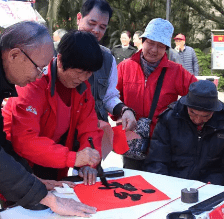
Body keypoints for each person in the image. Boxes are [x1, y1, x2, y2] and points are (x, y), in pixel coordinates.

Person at [0, 21, 97, 217]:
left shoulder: (83, 91)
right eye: (38, 68)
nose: (39, 75)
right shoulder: (31, 86)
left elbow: (1, 145)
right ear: (14, 55)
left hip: (28, 171)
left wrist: (32, 179)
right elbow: (21, 142)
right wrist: (46, 196)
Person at [117, 18, 197, 170]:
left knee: (159, 187)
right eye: (151, 43)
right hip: (132, 143)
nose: (154, 50)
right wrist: (122, 115)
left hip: (162, 144)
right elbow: (112, 98)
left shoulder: (176, 71)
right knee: (132, 186)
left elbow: (197, 92)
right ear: (143, 41)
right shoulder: (124, 67)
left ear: (166, 48)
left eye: (160, 46)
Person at [144, 80, 224, 189]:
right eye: (192, 113)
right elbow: (157, 160)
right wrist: (159, 188)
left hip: (212, 187)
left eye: (206, 116)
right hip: (174, 183)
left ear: (215, 110)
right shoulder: (170, 118)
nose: (198, 119)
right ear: (186, 106)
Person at [77, 0, 136, 132]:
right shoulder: (56, 53)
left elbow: (108, 96)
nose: (96, 31)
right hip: (62, 136)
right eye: (91, 24)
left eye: (102, 27)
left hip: (96, 133)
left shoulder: (108, 58)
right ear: (79, 18)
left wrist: (124, 110)